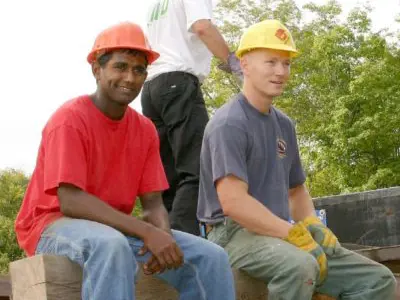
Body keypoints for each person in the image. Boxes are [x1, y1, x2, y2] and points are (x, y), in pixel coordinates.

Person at [14, 22, 235, 300]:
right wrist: (146, 232)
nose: (130, 78)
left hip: (113, 228)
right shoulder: (70, 120)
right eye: (120, 67)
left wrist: (163, 238)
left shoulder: (144, 130)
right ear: (97, 69)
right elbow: (70, 200)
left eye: (139, 70)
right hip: (51, 226)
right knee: (111, 246)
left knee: (210, 256)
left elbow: (153, 204)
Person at [197, 19, 397, 300]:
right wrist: (292, 233)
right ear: (244, 64)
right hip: (233, 235)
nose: (281, 71)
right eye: (271, 62)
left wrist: (313, 224)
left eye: (286, 63)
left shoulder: (284, 124)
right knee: (300, 265)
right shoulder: (229, 123)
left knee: (377, 280)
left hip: (280, 228)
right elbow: (233, 203)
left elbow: (296, 190)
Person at [141, 0, 242, 235]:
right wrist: (231, 60)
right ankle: (181, 242)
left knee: (167, 175)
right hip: (178, 82)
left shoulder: (157, 4)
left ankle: (162, 239)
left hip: (152, 87)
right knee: (198, 168)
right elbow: (202, 26)